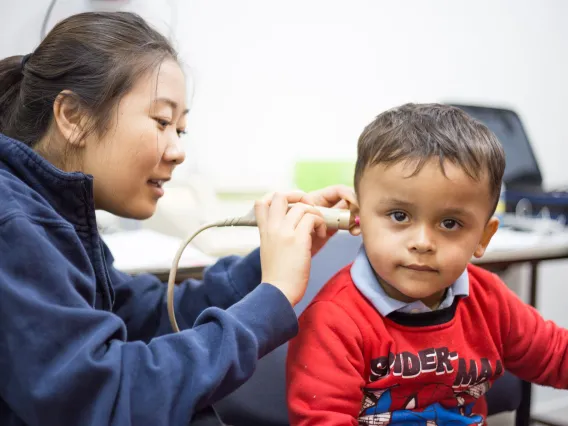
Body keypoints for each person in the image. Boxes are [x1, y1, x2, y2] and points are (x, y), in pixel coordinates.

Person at [0, 11, 356, 426]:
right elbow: (106, 398)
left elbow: (149, 317)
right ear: (73, 117)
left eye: (180, 130)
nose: (177, 150)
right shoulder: (14, 225)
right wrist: (271, 298)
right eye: (162, 122)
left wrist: (264, 266)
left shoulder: (54, 216)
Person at [286, 103, 568, 425]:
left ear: (483, 238)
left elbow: (556, 356)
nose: (422, 241)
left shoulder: (489, 299)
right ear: (358, 217)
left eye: (450, 223)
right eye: (399, 216)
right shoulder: (333, 321)